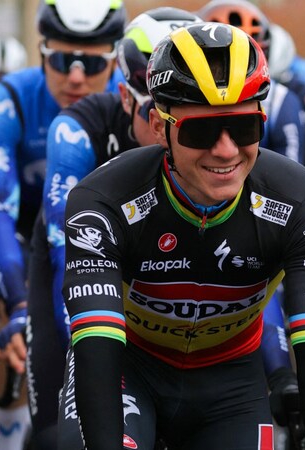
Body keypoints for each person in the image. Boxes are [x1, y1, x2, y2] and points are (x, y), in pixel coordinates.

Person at [58, 22, 305, 449]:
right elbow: (97, 348)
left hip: (230, 380)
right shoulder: (103, 201)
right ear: (161, 129)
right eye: (202, 131)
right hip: (129, 367)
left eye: (244, 127)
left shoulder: (302, 203)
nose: (227, 150)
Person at [23, 9, 203, 449]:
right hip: (81, 276)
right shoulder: (78, 127)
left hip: (163, 292)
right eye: (155, 113)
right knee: (58, 437)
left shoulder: (218, 147)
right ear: (125, 97)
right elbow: (65, 247)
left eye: (192, 117)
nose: (168, 130)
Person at [0, 0, 126, 375]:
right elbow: (0, 209)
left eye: (92, 63)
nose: (74, 77)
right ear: (41, 55)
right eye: (60, 60)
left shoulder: (134, 104)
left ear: (116, 62)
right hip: (23, 242)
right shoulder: (13, 99)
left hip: (112, 248)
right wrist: (19, 301)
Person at [198, 0, 305, 163]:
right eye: (220, 59)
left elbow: (291, 171)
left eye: (247, 58)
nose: (235, 68)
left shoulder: (280, 100)